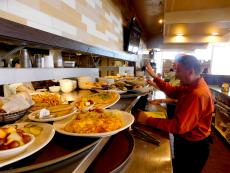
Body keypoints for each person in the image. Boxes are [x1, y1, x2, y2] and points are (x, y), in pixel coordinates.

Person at [136, 54, 214, 173]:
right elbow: (172, 91)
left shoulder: (197, 94)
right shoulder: (190, 85)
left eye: (179, 70)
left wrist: (147, 119)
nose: (176, 74)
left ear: (190, 72)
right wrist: (155, 77)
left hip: (193, 147)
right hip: (186, 141)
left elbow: (178, 126)